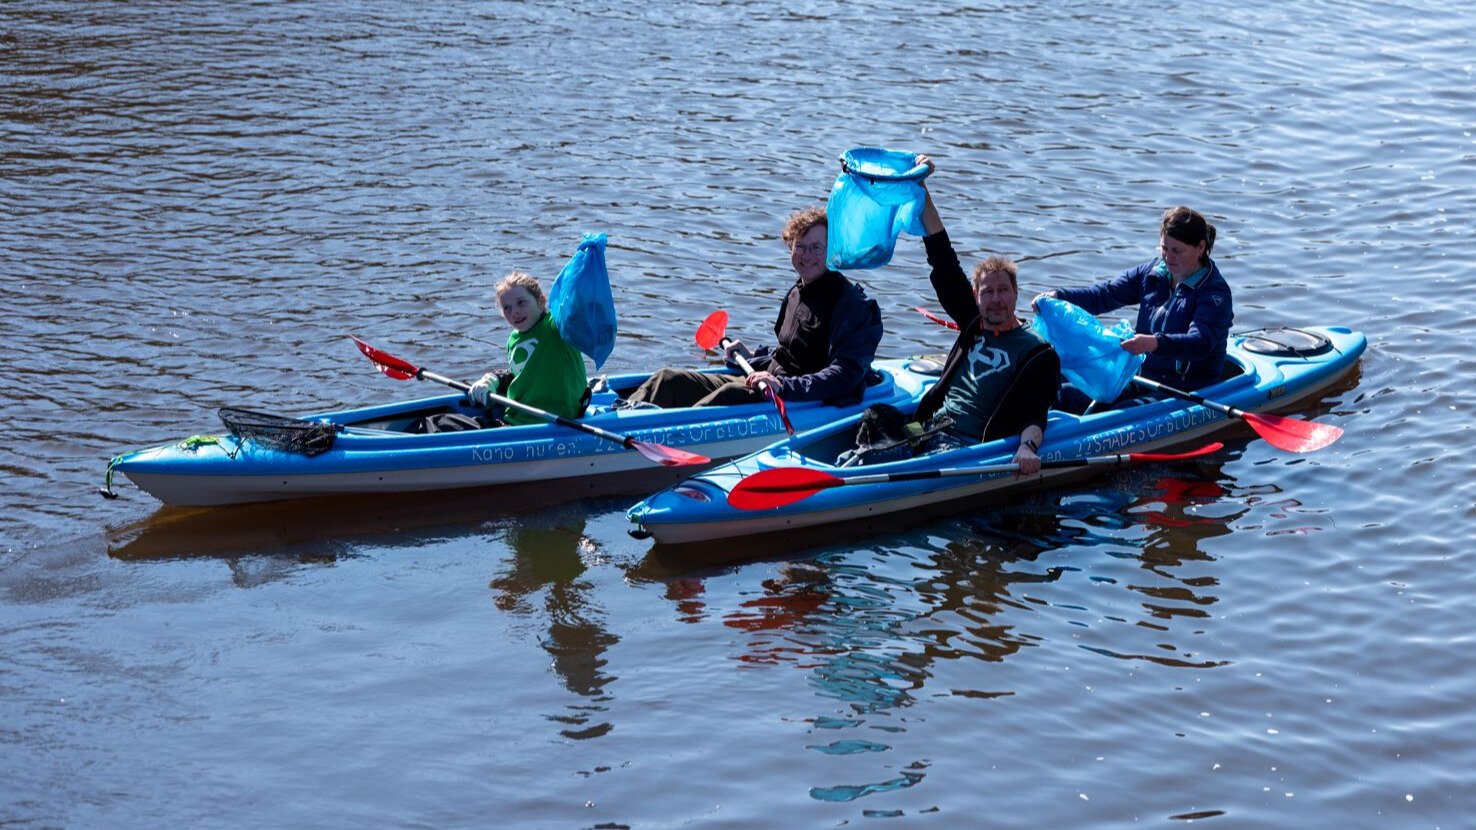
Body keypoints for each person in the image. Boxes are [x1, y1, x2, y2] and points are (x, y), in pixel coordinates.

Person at [867, 156, 1059, 474]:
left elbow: (1035, 412)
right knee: (874, 424)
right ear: (976, 297)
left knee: (885, 464)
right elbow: (942, 258)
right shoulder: (974, 323)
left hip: (964, 445)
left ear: (1016, 293)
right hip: (926, 429)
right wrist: (920, 186)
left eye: (1003, 290)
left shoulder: (1037, 351)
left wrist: (1028, 447)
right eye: (987, 292)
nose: (995, 300)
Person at [623, 206, 884, 408]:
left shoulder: (852, 305)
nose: (806, 256)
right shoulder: (797, 292)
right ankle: (622, 415)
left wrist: (782, 386)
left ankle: (659, 433)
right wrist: (751, 355)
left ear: (832, 250)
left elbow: (845, 374)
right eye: (800, 247)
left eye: (816, 248)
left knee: (729, 393)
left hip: (798, 398)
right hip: (769, 382)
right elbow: (790, 353)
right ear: (790, 248)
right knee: (668, 379)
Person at [1033, 205, 1232, 407]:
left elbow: (1200, 343)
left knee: (1116, 411)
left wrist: (1155, 343)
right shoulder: (1151, 273)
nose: (1168, 257)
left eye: (1177, 251)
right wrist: (1059, 297)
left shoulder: (1215, 294)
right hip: (1141, 375)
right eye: (1164, 248)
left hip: (1185, 388)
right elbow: (1105, 295)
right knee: (1060, 392)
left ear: (1200, 248)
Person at [466, 271, 589, 427]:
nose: (514, 312)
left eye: (521, 302)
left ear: (541, 301)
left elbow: (576, 297)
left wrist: (587, 262)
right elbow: (521, 375)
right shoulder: (513, 339)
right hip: (516, 420)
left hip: (549, 422)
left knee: (441, 423)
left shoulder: (556, 326)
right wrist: (490, 380)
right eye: (506, 308)